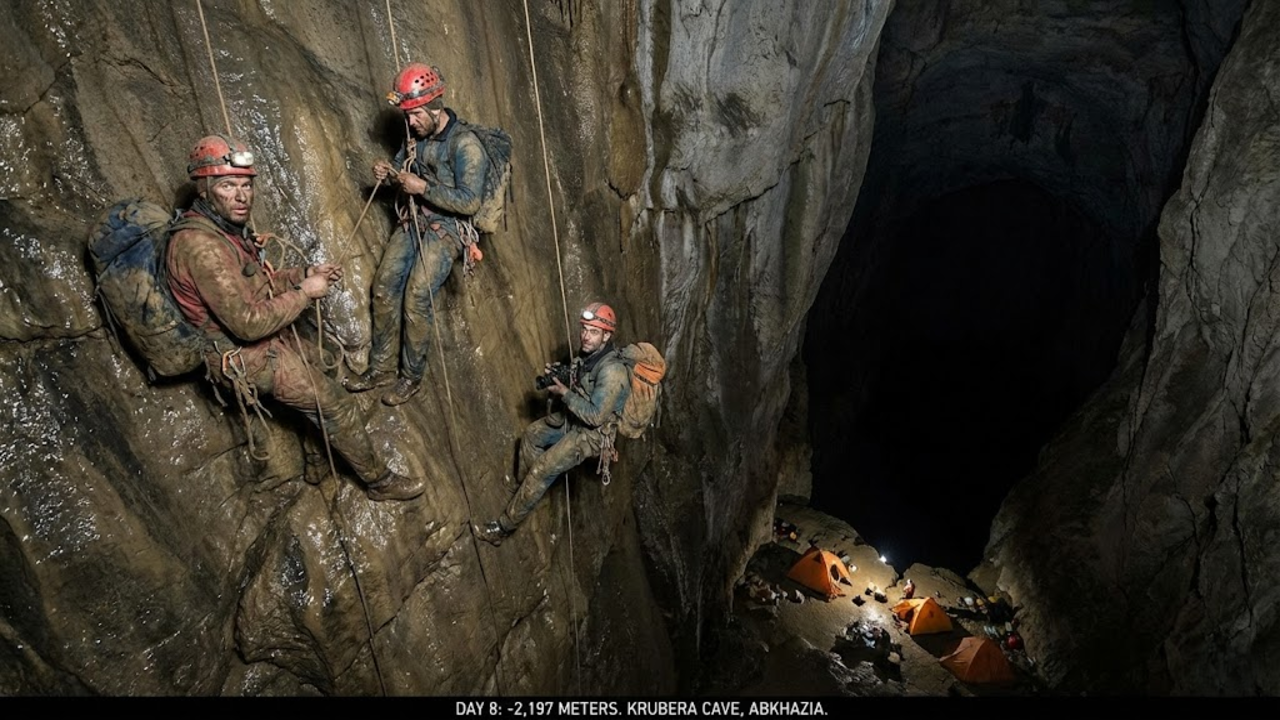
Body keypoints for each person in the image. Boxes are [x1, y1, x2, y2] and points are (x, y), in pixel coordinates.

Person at [166, 134, 425, 502]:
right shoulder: (202, 247)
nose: (241, 196)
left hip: (261, 339)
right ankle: (379, 482)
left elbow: (255, 282)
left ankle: (319, 462)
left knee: (324, 363)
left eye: (246, 185)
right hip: (244, 355)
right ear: (205, 189)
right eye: (227, 186)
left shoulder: (223, 229)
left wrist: (303, 273)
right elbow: (247, 323)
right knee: (337, 404)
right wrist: (305, 293)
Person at [346, 62, 489, 406]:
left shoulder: (466, 145)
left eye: (415, 115)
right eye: (407, 115)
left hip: (450, 227)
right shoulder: (416, 134)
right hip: (415, 219)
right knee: (383, 287)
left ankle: (411, 378)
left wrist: (421, 186)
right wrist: (391, 173)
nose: (409, 123)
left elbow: (470, 202)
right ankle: (380, 369)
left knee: (417, 295)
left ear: (434, 107)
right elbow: (405, 166)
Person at [474, 303, 632, 546]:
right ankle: (525, 492)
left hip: (592, 434)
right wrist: (563, 373)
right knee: (531, 435)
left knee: (542, 469)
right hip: (575, 418)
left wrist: (564, 393)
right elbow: (583, 379)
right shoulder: (590, 356)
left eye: (593, 332)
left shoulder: (613, 372)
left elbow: (595, 416)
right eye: (584, 329)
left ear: (607, 336)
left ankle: (503, 528)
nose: (585, 336)